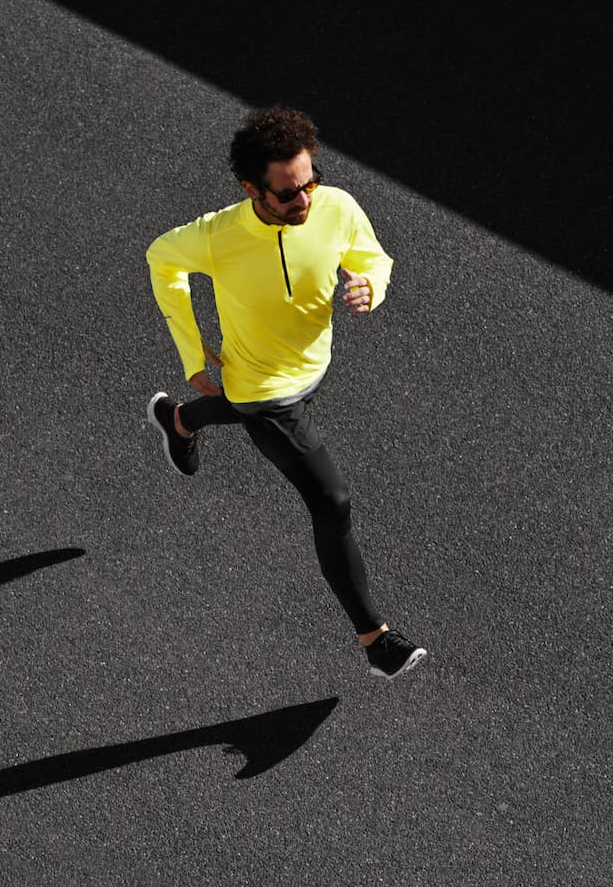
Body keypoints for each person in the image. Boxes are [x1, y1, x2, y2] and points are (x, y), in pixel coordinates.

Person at [144, 106, 426, 680]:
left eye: (310, 182)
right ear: (252, 190)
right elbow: (161, 259)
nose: (305, 200)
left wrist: (371, 286)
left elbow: (372, 255)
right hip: (263, 390)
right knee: (332, 502)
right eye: (288, 193)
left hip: (312, 364)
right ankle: (376, 641)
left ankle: (178, 422)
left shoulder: (335, 205)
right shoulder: (218, 237)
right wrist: (193, 354)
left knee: (242, 408)